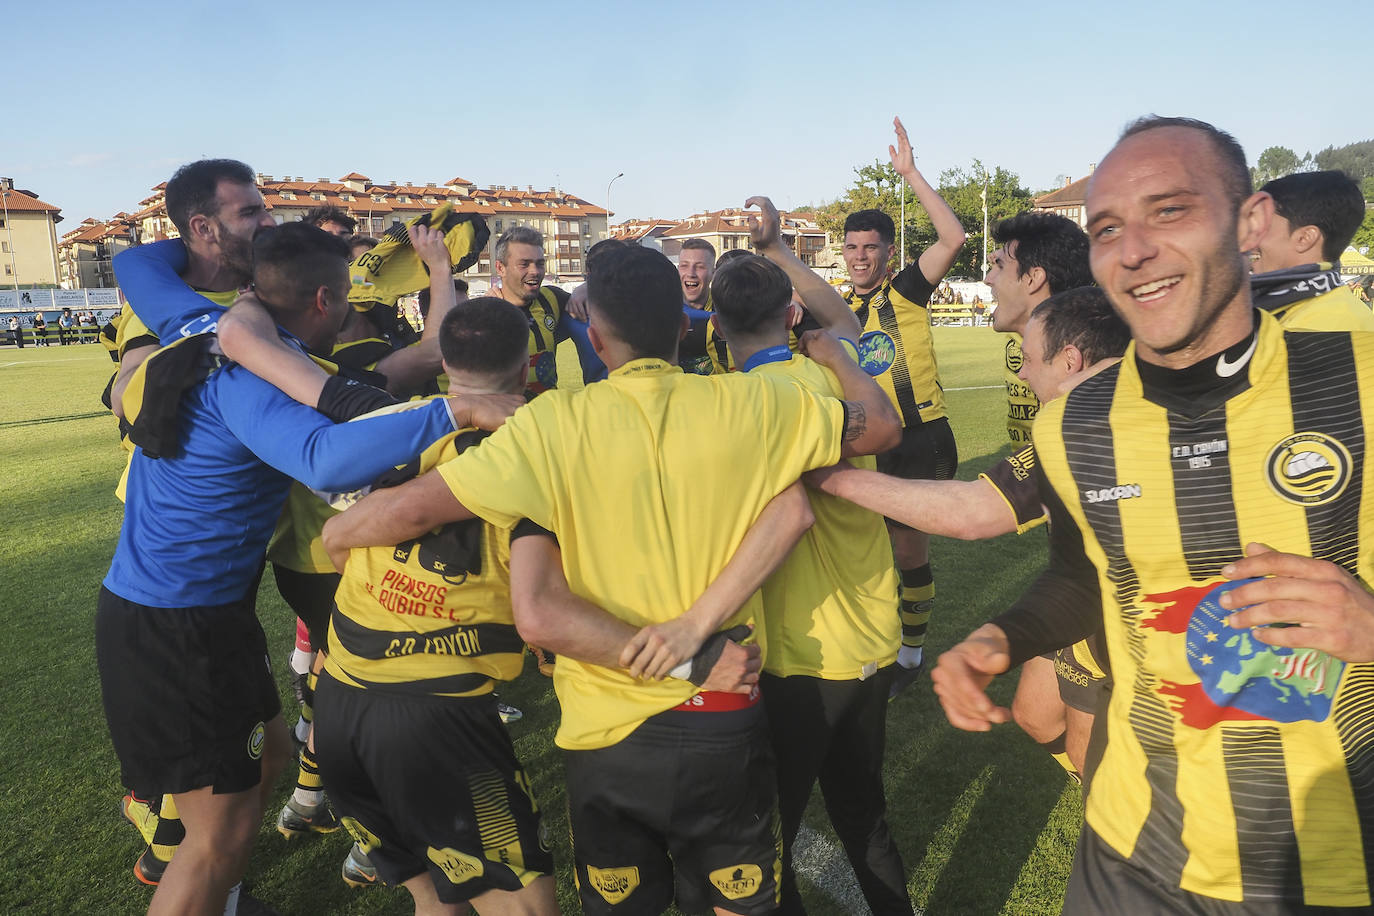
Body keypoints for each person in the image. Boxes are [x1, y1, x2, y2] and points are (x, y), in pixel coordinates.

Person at [321, 244, 901, 916]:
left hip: (605, 727)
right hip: (725, 708)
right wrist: (835, 358)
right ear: (687, 328)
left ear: (593, 338)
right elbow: (875, 430)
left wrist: (340, 534)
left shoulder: (553, 423)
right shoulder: (752, 406)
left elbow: (410, 512)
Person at [932, 116, 1374, 912]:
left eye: (1169, 210)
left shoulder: (1359, 382)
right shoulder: (1074, 423)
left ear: (1250, 223)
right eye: (1106, 227)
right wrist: (1006, 634)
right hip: (1131, 855)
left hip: (1331, 869)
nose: (1132, 248)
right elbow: (1081, 576)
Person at [96, 219, 514, 916]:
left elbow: (138, 261)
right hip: (177, 628)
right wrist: (455, 409)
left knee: (268, 763)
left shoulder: (208, 322)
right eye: (346, 300)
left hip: (201, 616)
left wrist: (240, 270)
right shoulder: (246, 378)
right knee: (214, 839)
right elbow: (324, 457)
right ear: (325, 300)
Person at [811, 286, 1129, 782]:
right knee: (1034, 713)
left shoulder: (1093, 422)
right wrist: (995, 639)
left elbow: (971, 512)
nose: (1022, 373)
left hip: (1135, 627)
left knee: (1106, 787)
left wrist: (830, 477)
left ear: (1069, 360)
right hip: (1084, 600)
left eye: (1027, 360)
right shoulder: (1089, 411)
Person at [710, 196, 913, 915]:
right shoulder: (836, 377)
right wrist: (786, 262)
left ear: (714, 325)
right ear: (793, 316)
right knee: (865, 817)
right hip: (872, 644)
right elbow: (852, 331)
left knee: (768, 838)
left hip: (795, 658)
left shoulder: (732, 408)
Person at [842, 117, 966, 697]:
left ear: (888, 254)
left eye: (871, 248)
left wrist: (911, 175)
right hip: (867, 442)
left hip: (920, 438)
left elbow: (953, 239)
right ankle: (873, 644)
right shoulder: (838, 308)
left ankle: (910, 657)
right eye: (852, 248)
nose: (860, 257)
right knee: (864, 550)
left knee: (906, 549)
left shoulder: (906, 290)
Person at [983, 211, 1093, 444]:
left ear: (1034, 278)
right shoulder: (1020, 337)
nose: (988, 279)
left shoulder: (1085, 360)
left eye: (1000, 266)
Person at [1247, 170, 1374, 331]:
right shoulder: (1346, 310)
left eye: (1262, 226)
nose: (1249, 240)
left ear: (1305, 238)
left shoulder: (1306, 331)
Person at [491, 225, 603, 392]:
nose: (535, 271)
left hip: (549, 411)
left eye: (540, 263)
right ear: (500, 268)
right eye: (524, 264)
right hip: (510, 415)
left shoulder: (552, 299)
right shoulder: (485, 315)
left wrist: (586, 287)